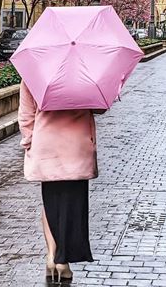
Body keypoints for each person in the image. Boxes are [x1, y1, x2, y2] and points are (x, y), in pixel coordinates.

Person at [18, 80, 104, 283]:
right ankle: (63, 261)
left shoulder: (34, 73)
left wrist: (30, 140)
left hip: (46, 145)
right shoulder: (85, 75)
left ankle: (51, 257)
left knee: (51, 203)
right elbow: (101, 108)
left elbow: (26, 115)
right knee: (73, 205)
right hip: (77, 147)